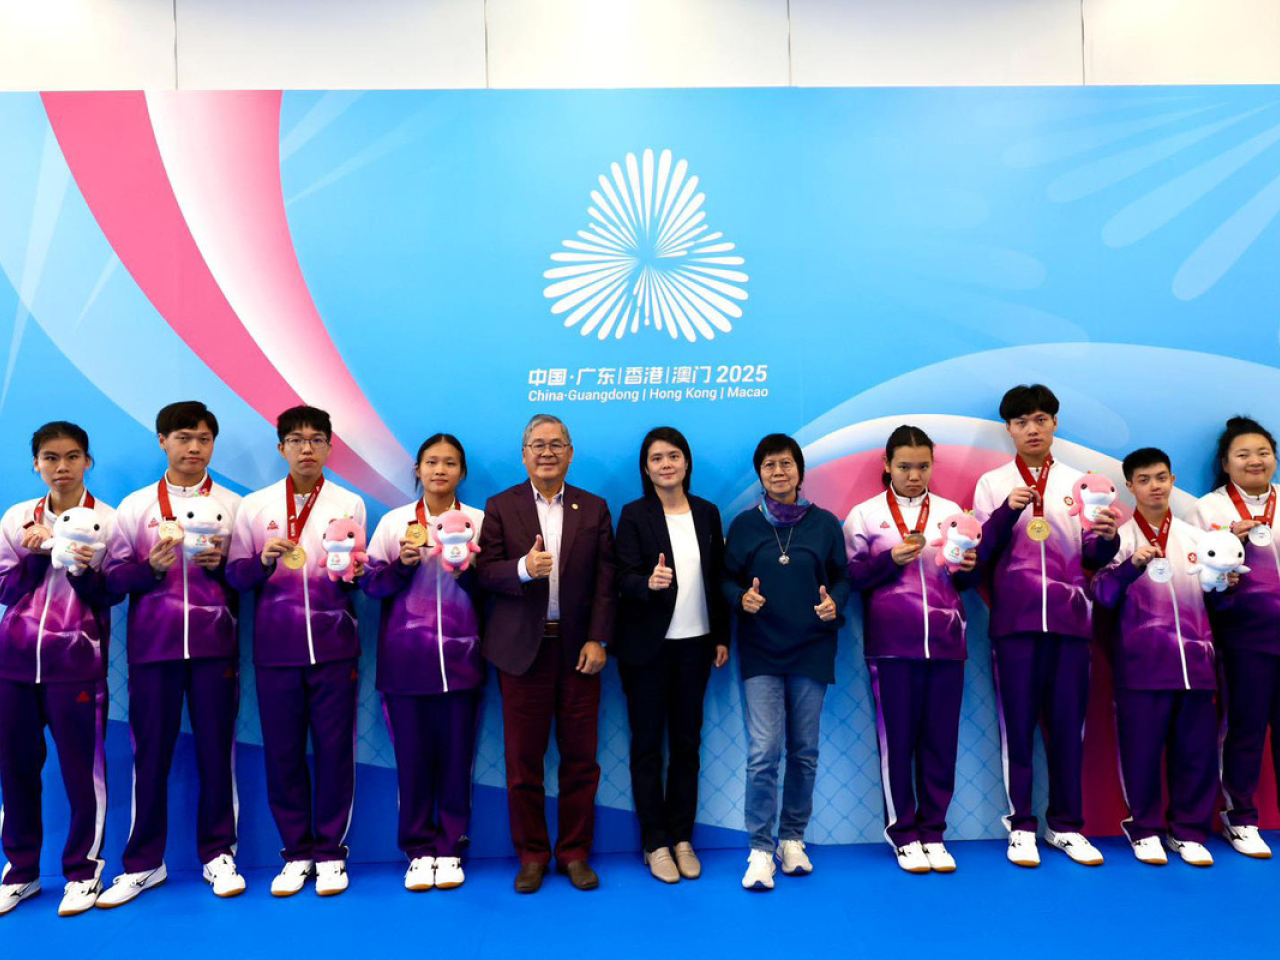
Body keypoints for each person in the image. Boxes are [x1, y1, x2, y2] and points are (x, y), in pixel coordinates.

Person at [98, 401, 244, 907]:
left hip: (214, 648)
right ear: (162, 440)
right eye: (184, 437)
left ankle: (218, 854)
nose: (194, 447)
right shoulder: (135, 507)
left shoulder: (234, 506)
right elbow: (112, 581)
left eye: (204, 439)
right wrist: (150, 568)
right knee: (150, 757)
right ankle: (143, 864)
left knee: (215, 753)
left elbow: (250, 578)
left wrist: (226, 562)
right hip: (153, 650)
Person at [972, 384, 1118, 867]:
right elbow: (978, 557)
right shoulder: (992, 484)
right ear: (1008, 429)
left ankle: (1067, 825)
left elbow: (1095, 558)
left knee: (1066, 728)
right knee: (1016, 729)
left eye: (1040, 419)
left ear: (1055, 422)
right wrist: (1006, 511)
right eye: (1020, 422)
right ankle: (1021, 826)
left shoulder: (1083, 483)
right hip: (1013, 625)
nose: (1031, 430)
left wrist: (1107, 539)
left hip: (1071, 623)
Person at [226, 406, 366, 897]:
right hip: (276, 651)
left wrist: (353, 571)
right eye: (296, 440)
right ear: (280, 447)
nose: (306, 448)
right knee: (283, 755)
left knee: (333, 753)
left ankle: (330, 852)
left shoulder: (349, 503)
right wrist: (262, 562)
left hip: (334, 650)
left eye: (316, 439)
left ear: (330, 447)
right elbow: (236, 577)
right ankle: (296, 853)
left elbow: (354, 579)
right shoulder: (255, 506)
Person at [477, 414, 616, 893]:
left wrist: (599, 639)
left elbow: (606, 580)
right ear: (524, 454)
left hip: (579, 652)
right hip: (522, 654)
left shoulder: (594, 508)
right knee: (523, 761)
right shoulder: (501, 505)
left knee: (581, 760)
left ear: (571, 452)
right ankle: (533, 854)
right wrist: (522, 568)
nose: (547, 452)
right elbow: (483, 574)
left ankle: (575, 852)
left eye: (557, 444)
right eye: (537, 444)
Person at [844, 425, 979, 874]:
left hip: (947, 644)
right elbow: (852, 578)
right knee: (897, 744)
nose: (914, 474)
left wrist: (967, 569)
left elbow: (963, 580)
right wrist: (888, 561)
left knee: (941, 742)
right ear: (887, 465)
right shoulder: (863, 515)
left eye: (923, 466)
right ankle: (903, 833)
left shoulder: (951, 514)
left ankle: (934, 832)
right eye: (904, 466)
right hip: (891, 647)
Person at [0, 422, 119, 917]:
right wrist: (33, 557)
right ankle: (21, 872)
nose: (62, 467)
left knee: (80, 774)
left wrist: (82, 569)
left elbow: (113, 593)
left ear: (87, 462)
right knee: (16, 771)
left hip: (77, 666)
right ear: (36, 464)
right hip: (14, 665)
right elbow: (5, 591)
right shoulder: (14, 518)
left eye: (72, 457)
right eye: (51, 458)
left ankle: (81, 872)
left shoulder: (108, 521)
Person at [723, 433, 850, 891]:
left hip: (812, 648)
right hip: (761, 650)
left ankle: (792, 838)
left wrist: (834, 602)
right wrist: (741, 598)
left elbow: (842, 576)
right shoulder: (743, 526)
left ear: (800, 471)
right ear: (760, 474)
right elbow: (725, 579)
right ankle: (760, 847)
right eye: (769, 465)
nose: (778, 472)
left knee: (805, 751)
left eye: (786, 464)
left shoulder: (824, 524)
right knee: (763, 753)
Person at [362, 433, 485, 892]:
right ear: (417, 470)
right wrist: (402, 565)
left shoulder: (479, 522)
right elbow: (371, 586)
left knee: (457, 761)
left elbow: (494, 590)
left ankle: (450, 847)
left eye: (450, 463)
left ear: (462, 472)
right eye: (431, 462)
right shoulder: (394, 523)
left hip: (463, 661)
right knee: (412, 763)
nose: (439, 470)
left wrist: (467, 572)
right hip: (404, 664)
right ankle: (418, 849)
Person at [1091, 448, 1218, 867]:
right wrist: (1131, 566)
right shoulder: (1120, 538)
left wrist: (1229, 586)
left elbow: (1220, 605)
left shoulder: (1198, 539)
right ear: (1130, 486)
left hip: (1197, 667)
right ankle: (1145, 829)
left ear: (1173, 479)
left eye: (1161, 477)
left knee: (1196, 754)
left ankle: (1189, 831)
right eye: (1143, 479)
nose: (1154, 486)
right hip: (1142, 669)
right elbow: (1103, 596)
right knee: (1141, 753)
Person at [613, 427, 729, 884]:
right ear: (646, 467)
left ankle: (682, 838)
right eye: (657, 458)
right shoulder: (634, 514)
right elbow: (622, 576)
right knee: (647, 747)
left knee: (686, 745)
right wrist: (647, 584)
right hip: (647, 649)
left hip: (696, 647)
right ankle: (655, 842)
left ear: (687, 463)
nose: (666, 464)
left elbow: (718, 579)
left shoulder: (707, 512)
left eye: (674, 456)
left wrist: (721, 635)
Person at [1187, 416, 1280, 858]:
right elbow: (1197, 572)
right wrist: (1227, 540)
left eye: (1263, 452)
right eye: (1243, 455)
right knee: (1244, 728)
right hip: (1243, 637)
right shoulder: (1210, 509)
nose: (1255, 461)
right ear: (1226, 463)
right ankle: (1239, 817)